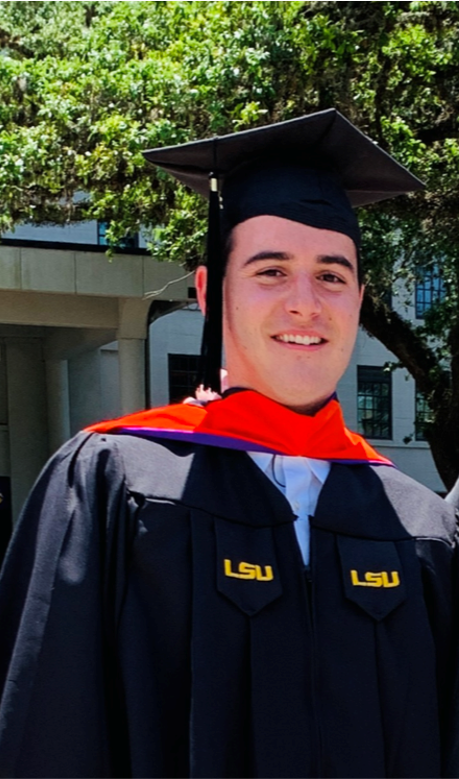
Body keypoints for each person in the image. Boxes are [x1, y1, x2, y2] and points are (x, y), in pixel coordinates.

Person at [0, 109, 458, 779]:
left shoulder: (417, 529)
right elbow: (47, 732)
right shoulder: (110, 483)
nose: (305, 302)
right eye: (271, 270)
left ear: (357, 299)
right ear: (211, 292)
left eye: (331, 276)